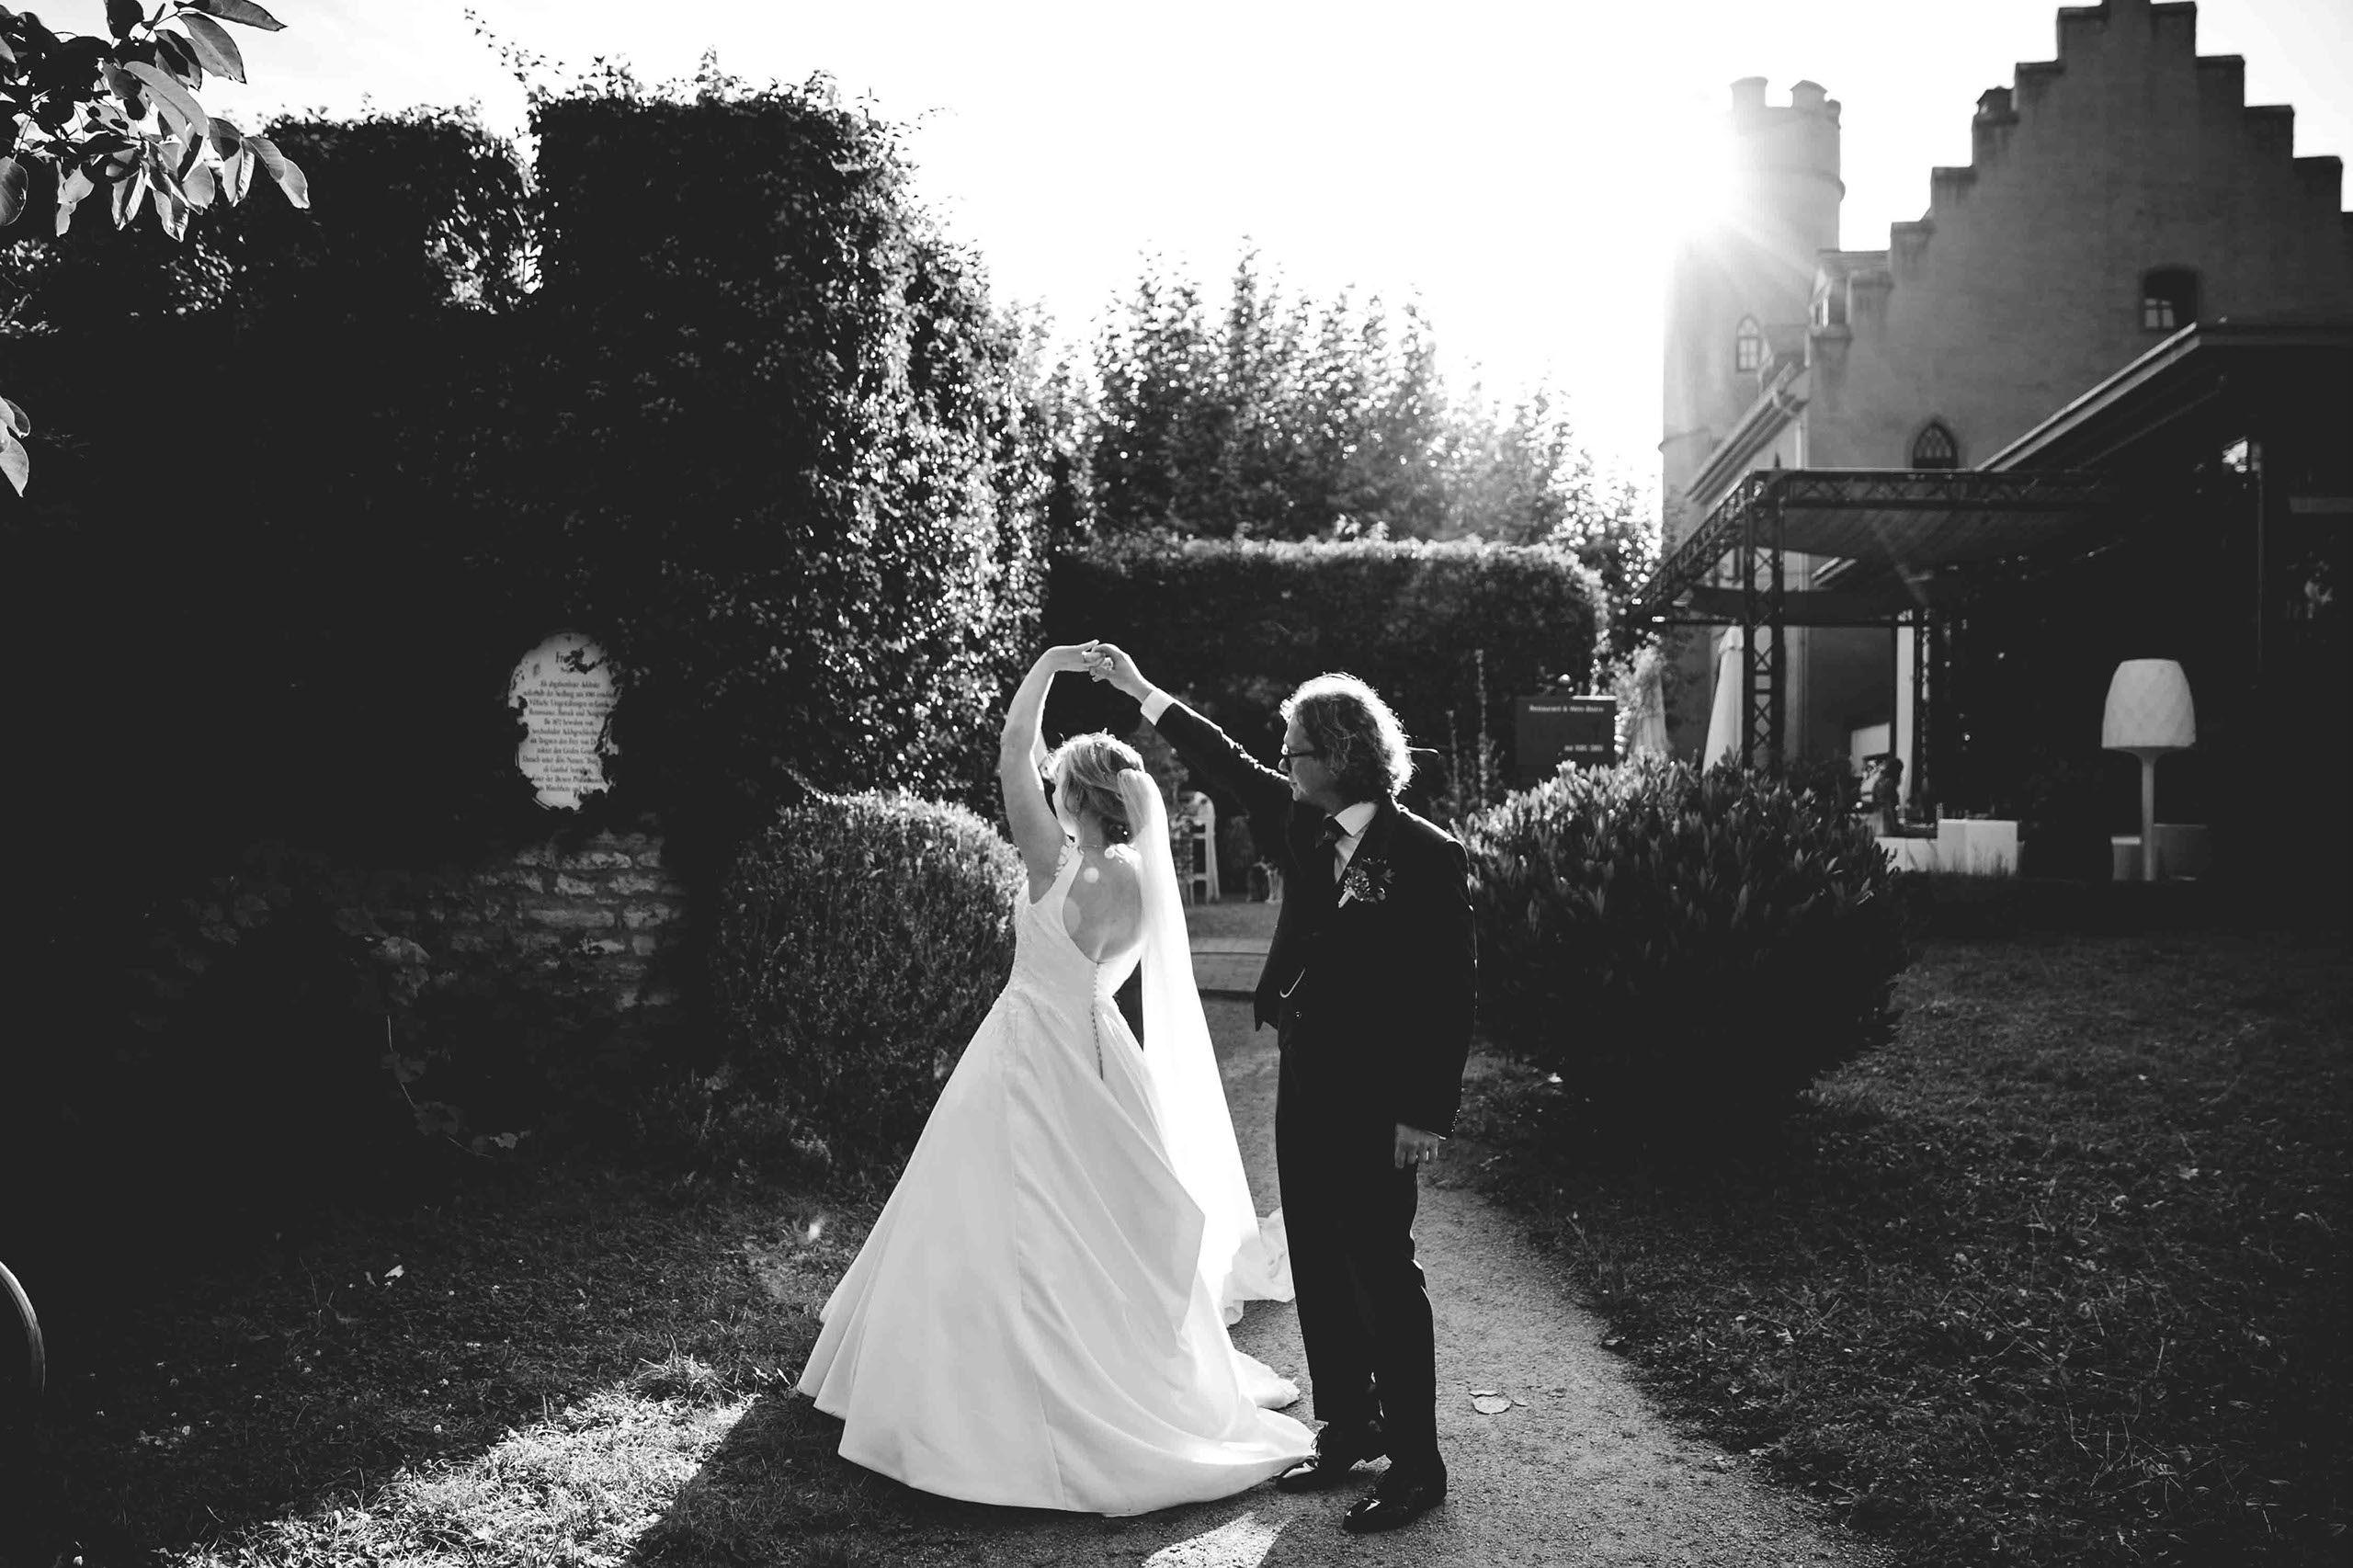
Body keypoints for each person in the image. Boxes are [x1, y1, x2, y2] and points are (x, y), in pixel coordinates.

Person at [795, 643, 1311, 1516]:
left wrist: (1054, 662)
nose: (1047, 790)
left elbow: (1008, 747)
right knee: (1096, 1224)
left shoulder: (1056, 864)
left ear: (1074, 800)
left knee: (992, 1207)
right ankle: (1100, 1365)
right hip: (1106, 1057)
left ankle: (987, 1390)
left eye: (1059, 785)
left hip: (1030, 1050)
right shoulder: (1146, 882)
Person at [1088, 644, 1476, 1536]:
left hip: (1383, 1102)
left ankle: (1418, 1462)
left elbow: (1450, 995)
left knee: (1381, 1267)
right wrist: (1142, 689)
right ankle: (1350, 1422)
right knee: (1314, 1251)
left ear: (1339, 756)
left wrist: (1426, 1109)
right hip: (1306, 1077)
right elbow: (1224, 759)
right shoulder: (1297, 822)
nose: (1283, 761)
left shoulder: (1424, 854)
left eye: (1296, 748)